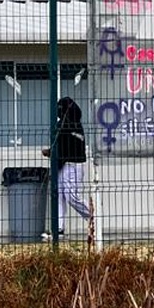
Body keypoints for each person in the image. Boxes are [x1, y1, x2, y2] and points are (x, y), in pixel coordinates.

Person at [42, 97, 90, 233]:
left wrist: (53, 166)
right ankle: (59, 228)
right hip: (66, 164)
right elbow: (62, 147)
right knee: (59, 195)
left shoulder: (68, 125)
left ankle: (93, 218)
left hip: (72, 165)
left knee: (71, 196)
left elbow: (64, 149)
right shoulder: (69, 124)